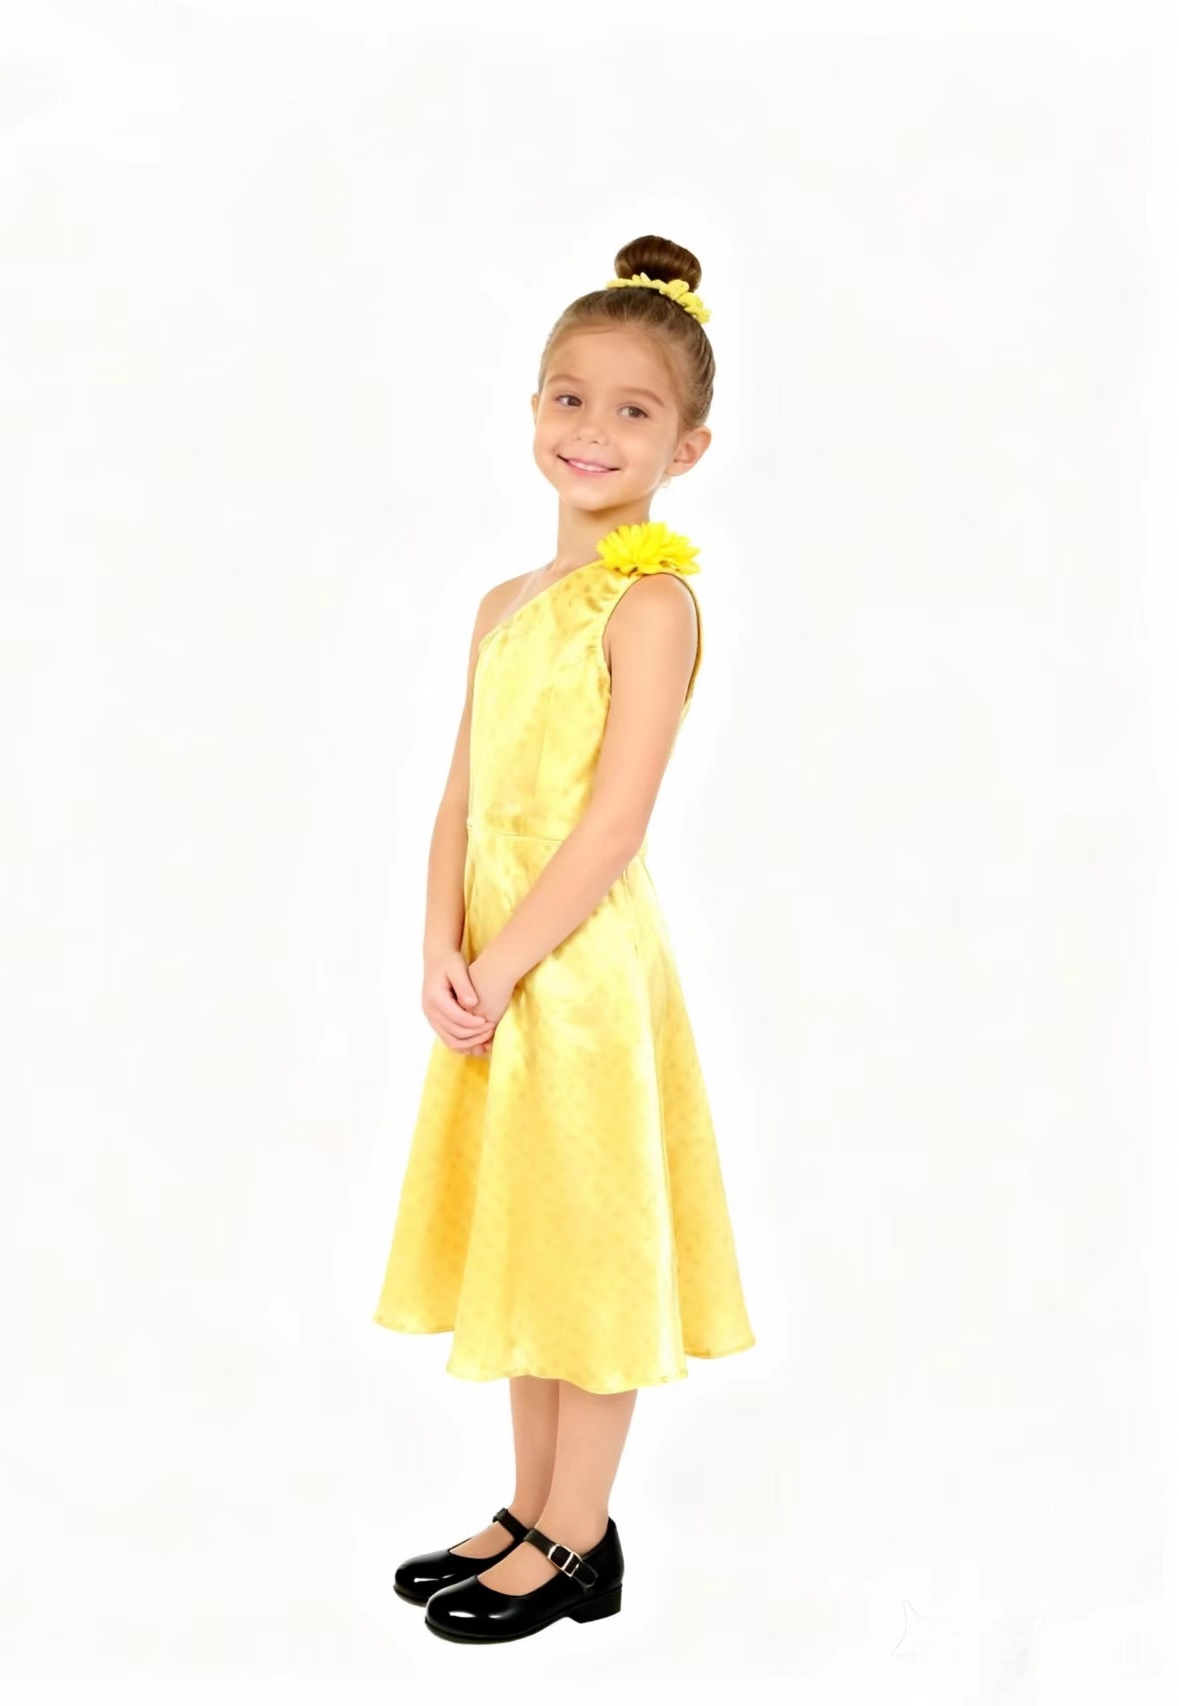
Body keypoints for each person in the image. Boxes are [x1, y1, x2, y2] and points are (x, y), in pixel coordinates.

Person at [371, 234, 757, 1643]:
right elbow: (462, 797)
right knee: (528, 1236)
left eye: (632, 409)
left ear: (686, 447)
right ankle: (531, 1505)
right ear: (532, 407)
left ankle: (580, 1534)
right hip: (492, 969)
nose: (591, 430)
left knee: (586, 1247)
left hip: (577, 974)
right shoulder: (502, 605)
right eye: (568, 396)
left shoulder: (650, 604)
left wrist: (509, 960)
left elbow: (610, 825)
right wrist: (441, 948)